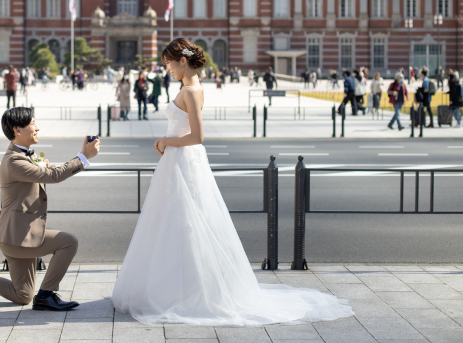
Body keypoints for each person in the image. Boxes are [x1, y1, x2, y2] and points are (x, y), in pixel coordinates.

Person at [111, 37, 354, 326]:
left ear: (183, 61)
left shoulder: (190, 90)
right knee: (180, 223)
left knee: (181, 222)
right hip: (182, 161)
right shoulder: (192, 87)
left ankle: (179, 290)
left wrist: (166, 140)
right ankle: (185, 287)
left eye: (169, 65)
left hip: (183, 158)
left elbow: (198, 136)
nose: (168, 70)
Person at [0, 107, 100, 310]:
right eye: (32, 124)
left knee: (22, 295)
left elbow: (48, 172)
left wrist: (48, 166)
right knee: (68, 242)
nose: (37, 128)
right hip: (17, 238)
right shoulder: (14, 160)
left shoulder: (21, 156)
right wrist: (83, 157)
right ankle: (46, 295)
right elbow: (54, 176)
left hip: (17, 235)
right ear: (17, 130)